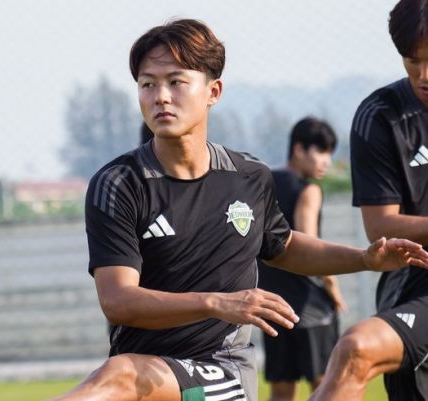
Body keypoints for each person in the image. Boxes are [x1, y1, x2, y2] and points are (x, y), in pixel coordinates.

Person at [48, 19, 428, 401]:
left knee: (120, 375)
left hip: (221, 372)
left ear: (213, 91)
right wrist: (216, 302)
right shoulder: (118, 184)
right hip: (150, 378)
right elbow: (118, 301)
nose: (160, 96)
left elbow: (283, 246)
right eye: (148, 84)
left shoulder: (248, 177)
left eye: (176, 82)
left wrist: (364, 258)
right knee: (124, 373)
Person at [309, 1, 428, 400]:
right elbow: (380, 226)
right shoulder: (381, 115)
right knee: (356, 349)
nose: (423, 75)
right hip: (417, 283)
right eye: (412, 60)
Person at [258, 117, 346, 401]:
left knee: (281, 390)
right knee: (325, 386)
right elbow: (310, 248)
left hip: (273, 305)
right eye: (321, 152)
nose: (326, 162)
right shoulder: (309, 190)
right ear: (298, 149)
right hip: (309, 306)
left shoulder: (263, 184)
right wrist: (332, 287)